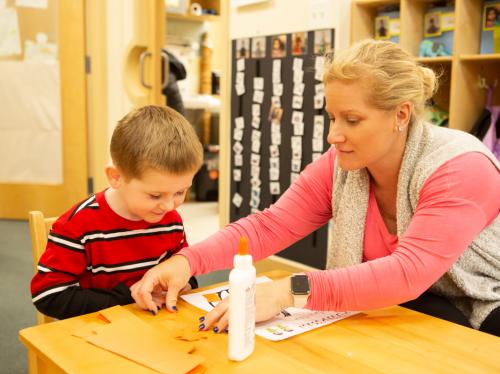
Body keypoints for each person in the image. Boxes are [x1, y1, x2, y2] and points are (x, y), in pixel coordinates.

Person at [132, 40, 500, 336]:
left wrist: (286, 290)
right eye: (333, 117)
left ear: (401, 114)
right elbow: (270, 226)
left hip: (483, 304)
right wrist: (187, 260)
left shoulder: (459, 167)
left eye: (352, 120)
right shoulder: (341, 163)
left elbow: (408, 273)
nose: (333, 135)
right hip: (417, 305)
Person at [30, 105, 203, 319]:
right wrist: (127, 299)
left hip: (153, 324)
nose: (169, 206)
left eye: (180, 192)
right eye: (155, 196)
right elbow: (48, 295)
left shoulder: (170, 220)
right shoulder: (77, 225)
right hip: (98, 331)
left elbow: (184, 266)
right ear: (116, 177)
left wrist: (184, 282)